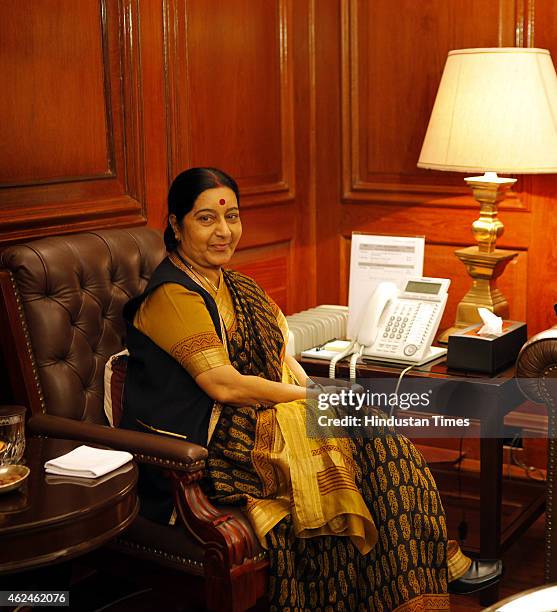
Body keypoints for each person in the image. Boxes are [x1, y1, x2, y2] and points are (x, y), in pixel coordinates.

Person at [120, 167, 501, 611]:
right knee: (361, 437)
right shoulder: (173, 295)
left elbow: (283, 359)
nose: (224, 231)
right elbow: (222, 385)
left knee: (371, 434)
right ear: (176, 224)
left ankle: (426, 576)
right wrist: (313, 400)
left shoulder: (235, 285)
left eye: (232, 217)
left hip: (259, 415)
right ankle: (440, 564)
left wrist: (317, 392)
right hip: (211, 442)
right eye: (206, 219)